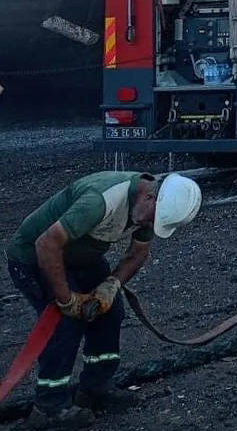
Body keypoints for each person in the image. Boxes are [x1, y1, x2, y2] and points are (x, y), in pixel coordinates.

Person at [5, 172, 202, 429]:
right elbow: (46, 244)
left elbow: (137, 253)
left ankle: (95, 387)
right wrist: (66, 300)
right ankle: (49, 407)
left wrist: (112, 285)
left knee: (110, 311)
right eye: (153, 219)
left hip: (79, 255)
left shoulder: (149, 207)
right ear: (150, 196)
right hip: (35, 257)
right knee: (64, 324)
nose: (151, 225)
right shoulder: (100, 201)